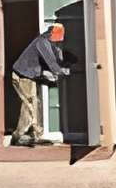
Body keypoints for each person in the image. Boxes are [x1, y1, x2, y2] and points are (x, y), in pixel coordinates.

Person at [7, 18, 73, 146]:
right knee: (30, 105)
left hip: (29, 75)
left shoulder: (49, 43)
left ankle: (36, 135)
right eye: (59, 38)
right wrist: (63, 72)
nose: (60, 41)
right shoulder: (42, 42)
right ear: (53, 35)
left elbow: (52, 61)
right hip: (22, 76)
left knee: (35, 103)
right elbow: (52, 63)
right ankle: (18, 136)